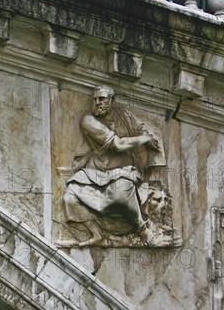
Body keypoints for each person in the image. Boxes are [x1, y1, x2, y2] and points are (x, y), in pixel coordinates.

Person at [63, 85, 167, 246]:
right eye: (95, 99)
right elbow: (117, 144)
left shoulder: (124, 116)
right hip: (96, 172)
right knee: (69, 197)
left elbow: (139, 129)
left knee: (120, 193)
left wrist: (149, 138)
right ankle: (97, 234)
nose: (97, 103)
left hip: (125, 171)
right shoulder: (88, 121)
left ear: (111, 100)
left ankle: (142, 229)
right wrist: (145, 139)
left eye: (102, 99)